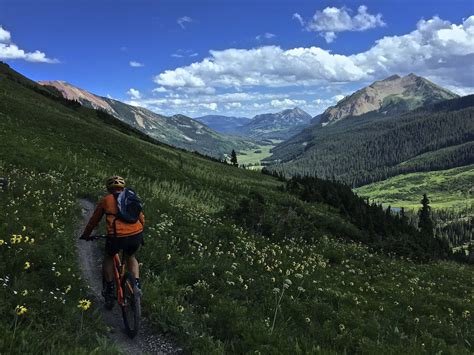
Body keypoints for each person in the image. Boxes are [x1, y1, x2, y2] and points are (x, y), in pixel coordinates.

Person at [81, 176, 144, 307]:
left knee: (109, 257)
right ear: (123, 187)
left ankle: (109, 289)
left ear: (109, 188)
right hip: (136, 235)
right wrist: (140, 232)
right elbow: (141, 218)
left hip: (116, 237)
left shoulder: (106, 200)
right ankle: (136, 286)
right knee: (131, 256)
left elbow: (94, 220)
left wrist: (86, 234)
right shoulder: (130, 197)